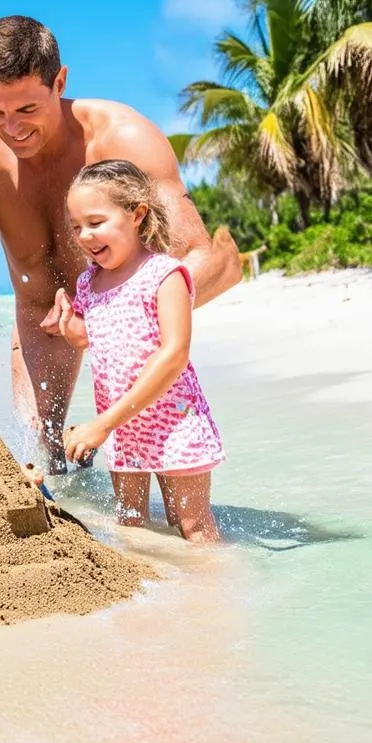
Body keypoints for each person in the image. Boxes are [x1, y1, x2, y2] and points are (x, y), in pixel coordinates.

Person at [0, 16, 241, 472]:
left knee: (152, 460)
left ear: (60, 82)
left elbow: (204, 258)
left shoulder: (124, 137)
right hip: (42, 318)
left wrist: (108, 323)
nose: (12, 129)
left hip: (122, 312)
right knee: (48, 456)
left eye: (27, 110)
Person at [57, 160, 224, 542]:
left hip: (172, 423)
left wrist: (102, 425)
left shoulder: (163, 274)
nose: (84, 235)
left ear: (137, 214)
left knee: (193, 527)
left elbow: (174, 353)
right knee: (131, 527)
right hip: (122, 429)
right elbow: (94, 335)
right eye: (76, 226)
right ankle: (158, 599)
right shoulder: (88, 282)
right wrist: (70, 329)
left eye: (96, 223)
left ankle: (213, 598)